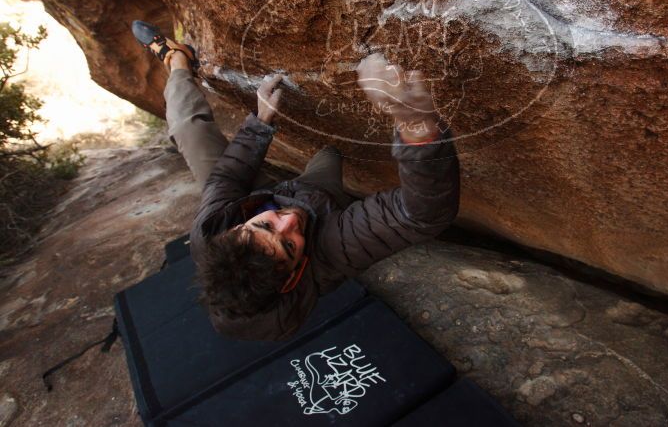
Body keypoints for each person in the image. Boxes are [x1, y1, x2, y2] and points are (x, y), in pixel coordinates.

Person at [131, 21, 460, 341]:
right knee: (328, 155)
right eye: (289, 246)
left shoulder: (210, 231)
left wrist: (260, 123)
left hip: (254, 195)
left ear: (233, 230)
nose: (290, 221)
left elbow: (228, 176)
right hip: (318, 197)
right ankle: (302, 192)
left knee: (188, 129)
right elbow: (420, 216)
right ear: (294, 276)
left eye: (265, 226)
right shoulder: (330, 251)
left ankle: (176, 60)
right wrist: (416, 125)